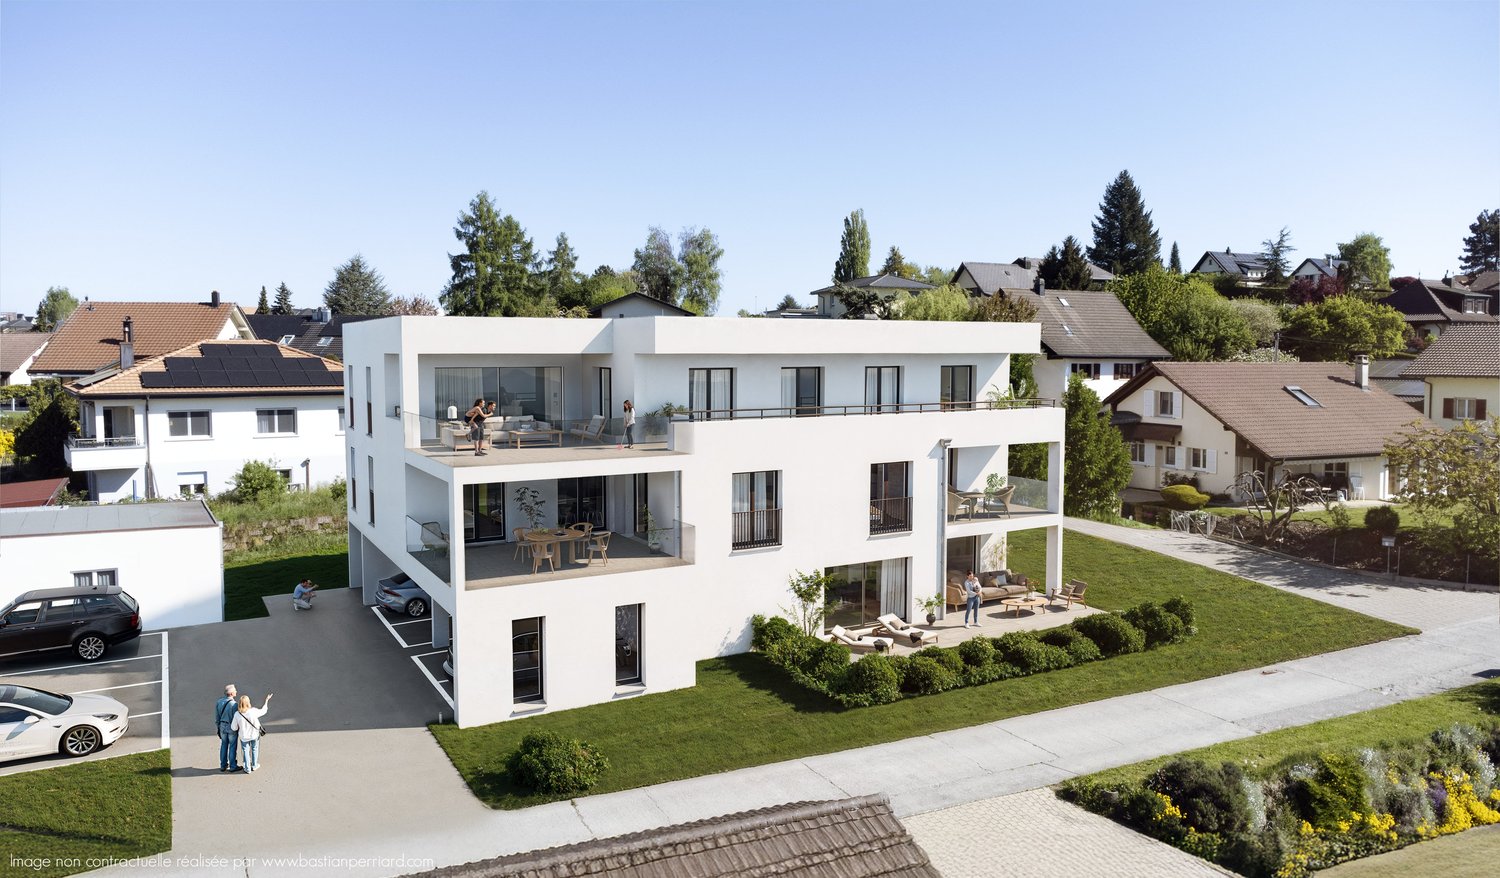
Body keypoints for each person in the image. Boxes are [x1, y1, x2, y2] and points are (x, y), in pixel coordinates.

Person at [231, 692, 272, 773]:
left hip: (244, 737)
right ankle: (254, 765)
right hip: (254, 735)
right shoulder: (253, 711)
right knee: (254, 749)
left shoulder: (237, 714)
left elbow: (233, 727)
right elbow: (263, 711)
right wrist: (267, 700)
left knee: (245, 750)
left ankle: (247, 768)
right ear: (248, 702)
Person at [214, 683, 240, 772]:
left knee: (224, 745)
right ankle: (233, 766)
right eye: (235, 690)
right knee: (232, 746)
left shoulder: (219, 702)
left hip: (222, 726)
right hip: (231, 727)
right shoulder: (234, 704)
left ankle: (223, 765)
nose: (236, 691)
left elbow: (217, 716)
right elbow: (236, 718)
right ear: (232, 693)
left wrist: (218, 726)